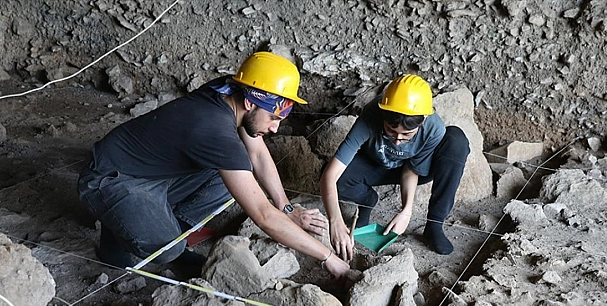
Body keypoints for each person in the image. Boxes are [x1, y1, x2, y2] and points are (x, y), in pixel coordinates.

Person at [78, 51, 350, 279]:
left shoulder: (228, 91)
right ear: (250, 102)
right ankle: (121, 230)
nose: (276, 128)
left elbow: (256, 153)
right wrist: (328, 258)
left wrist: (286, 207)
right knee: (168, 249)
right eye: (273, 118)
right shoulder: (214, 129)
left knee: (231, 175)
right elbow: (263, 216)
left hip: (151, 169)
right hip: (110, 179)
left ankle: (159, 224)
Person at [320, 74, 470, 260]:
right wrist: (335, 221)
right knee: (335, 177)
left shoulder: (433, 127)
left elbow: (412, 169)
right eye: (391, 131)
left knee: (456, 141)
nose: (398, 141)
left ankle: (434, 225)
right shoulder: (371, 114)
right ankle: (366, 202)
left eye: (406, 135)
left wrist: (406, 211)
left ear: (422, 121)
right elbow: (330, 175)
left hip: (410, 169)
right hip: (376, 163)